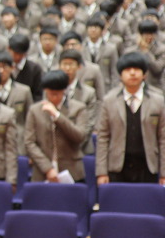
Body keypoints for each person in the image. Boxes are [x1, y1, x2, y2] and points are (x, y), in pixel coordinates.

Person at [96, 52, 165, 185]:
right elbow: (103, 138)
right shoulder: (109, 101)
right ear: (120, 75)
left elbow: (163, 138)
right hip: (117, 167)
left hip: (148, 167)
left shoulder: (158, 101)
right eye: (128, 70)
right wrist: (101, 172)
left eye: (137, 69)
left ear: (144, 74)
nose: (132, 73)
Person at [25, 70, 88, 183]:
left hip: (72, 170)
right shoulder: (34, 110)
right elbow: (29, 142)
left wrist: (57, 115)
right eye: (50, 93)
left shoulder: (79, 108)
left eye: (57, 93)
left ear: (64, 90)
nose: (53, 97)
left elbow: (80, 136)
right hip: (42, 172)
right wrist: (47, 168)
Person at [0, 51, 33, 155]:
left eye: (5, 67)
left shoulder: (24, 91)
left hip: (18, 144)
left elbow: (31, 120)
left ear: (12, 68)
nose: (1, 70)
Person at [8, 34, 44, 102]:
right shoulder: (3, 68)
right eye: (15, 53)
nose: (18, 57)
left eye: (21, 54)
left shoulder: (35, 69)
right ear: (9, 49)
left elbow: (38, 95)